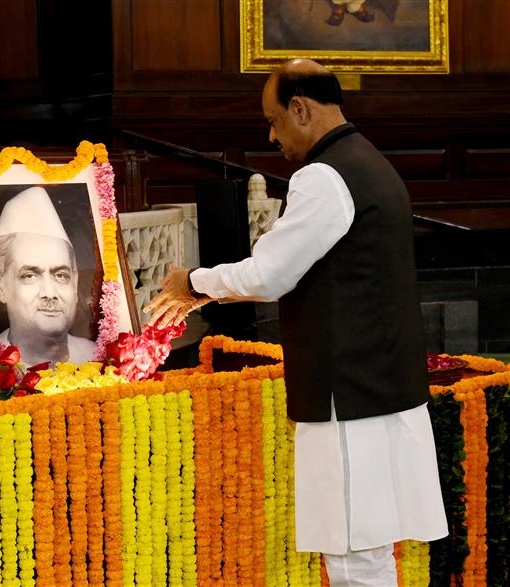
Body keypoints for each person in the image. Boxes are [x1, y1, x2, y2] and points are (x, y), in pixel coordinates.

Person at [146, 59, 447, 586]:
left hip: (351, 392)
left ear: (301, 109)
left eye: (274, 119)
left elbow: (270, 274)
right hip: (380, 384)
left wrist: (193, 283)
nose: (272, 134)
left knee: (354, 554)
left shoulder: (325, 175)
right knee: (368, 549)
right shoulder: (370, 161)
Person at [0, 186, 95, 366]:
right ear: (0, 286)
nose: (49, 292)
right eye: (30, 275)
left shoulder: (96, 357)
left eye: (61, 275)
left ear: (75, 283)